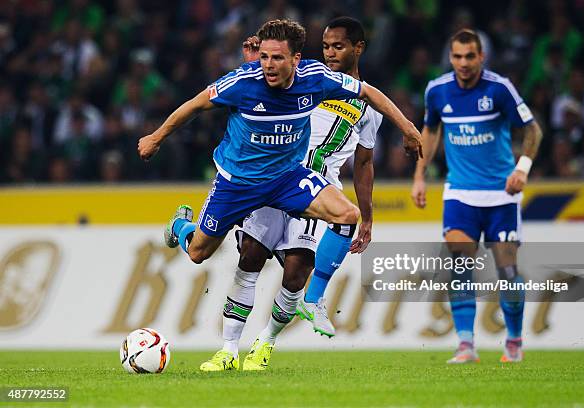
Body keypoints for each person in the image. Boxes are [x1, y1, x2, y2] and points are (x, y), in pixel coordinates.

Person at [137, 18, 421, 359]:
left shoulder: (316, 79)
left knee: (346, 216)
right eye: (265, 58)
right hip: (239, 182)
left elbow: (368, 93)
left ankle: (303, 307)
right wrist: (156, 137)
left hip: (288, 177)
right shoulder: (243, 82)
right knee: (199, 252)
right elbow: (195, 105)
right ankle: (181, 226)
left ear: (296, 59)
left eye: (277, 58)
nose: (268, 65)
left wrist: (407, 128)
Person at [199, 17, 382, 372]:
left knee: (296, 272)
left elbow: (363, 164)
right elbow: (260, 96)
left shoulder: (367, 107)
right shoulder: (308, 81)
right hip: (275, 176)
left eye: (338, 47)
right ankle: (228, 349)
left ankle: (265, 343)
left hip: (318, 190)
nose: (330, 53)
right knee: (250, 256)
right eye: (326, 46)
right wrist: (253, 63)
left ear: (358, 49)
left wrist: (368, 216)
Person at [411, 29, 542, 364]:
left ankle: (514, 340)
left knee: (508, 273)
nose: (464, 63)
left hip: (501, 194)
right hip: (460, 194)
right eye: (457, 56)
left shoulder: (499, 88)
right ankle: (466, 344)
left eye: (470, 56)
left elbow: (533, 129)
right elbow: (431, 130)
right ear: (450, 57)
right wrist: (419, 177)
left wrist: (522, 168)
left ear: (481, 56)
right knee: (460, 266)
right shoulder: (437, 91)